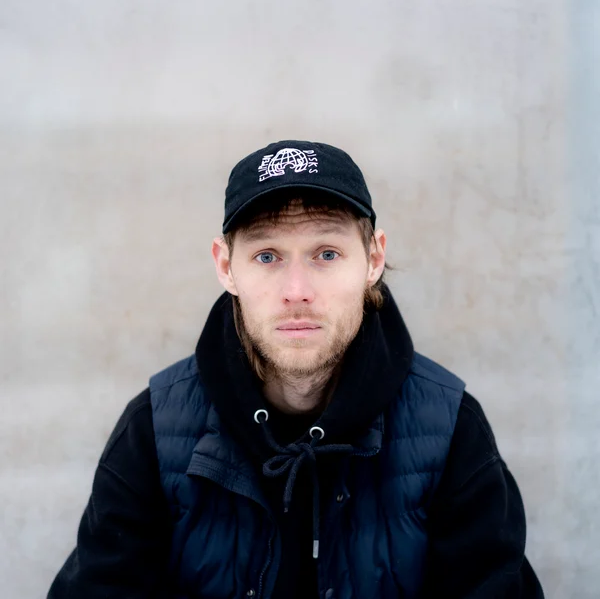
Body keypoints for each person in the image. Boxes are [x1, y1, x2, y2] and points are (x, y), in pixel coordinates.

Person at [48, 140, 544, 598]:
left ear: (373, 259)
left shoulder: (450, 429)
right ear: (226, 267)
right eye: (267, 256)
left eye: (326, 254)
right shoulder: (155, 431)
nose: (297, 291)